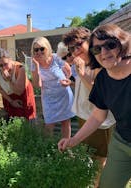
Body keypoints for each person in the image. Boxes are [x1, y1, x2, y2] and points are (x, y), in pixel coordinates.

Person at [58, 24, 131, 188]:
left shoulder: (99, 70)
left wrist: (82, 74)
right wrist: (73, 140)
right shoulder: (104, 77)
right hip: (120, 140)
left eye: (110, 45)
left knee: (100, 159)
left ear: (122, 43)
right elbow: (99, 113)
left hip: (107, 128)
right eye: (97, 49)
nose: (104, 52)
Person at [31, 37, 74, 138]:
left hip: (63, 94)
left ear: (47, 48)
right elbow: (37, 85)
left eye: (42, 49)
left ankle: (66, 147)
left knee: (66, 122)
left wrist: (66, 79)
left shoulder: (56, 57)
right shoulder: (34, 64)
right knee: (49, 124)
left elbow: (69, 71)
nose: (39, 52)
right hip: (49, 97)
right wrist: (37, 67)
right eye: (36, 49)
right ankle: (47, 149)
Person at [0, 48, 36, 121]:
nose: (4, 68)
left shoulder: (19, 68)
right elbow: (0, 89)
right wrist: (11, 101)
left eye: (5, 64)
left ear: (10, 60)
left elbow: (19, 91)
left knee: (28, 118)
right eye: (0, 65)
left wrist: (9, 81)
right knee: (11, 119)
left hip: (23, 95)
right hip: (8, 96)